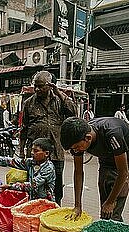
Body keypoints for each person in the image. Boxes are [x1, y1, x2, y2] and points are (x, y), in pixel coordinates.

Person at [60, 116, 129, 221]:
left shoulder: (113, 134)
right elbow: (78, 172)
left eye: (76, 147)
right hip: (106, 158)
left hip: (126, 159)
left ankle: (115, 227)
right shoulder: (78, 140)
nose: (75, 151)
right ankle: (107, 222)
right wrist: (77, 206)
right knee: (105, 204)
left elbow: (123, 173)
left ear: (88, 138)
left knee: (115, 203)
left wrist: (111, 202)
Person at [20, 71, 77, 204]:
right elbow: (24, 128)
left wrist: (59, 92)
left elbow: (74, 112)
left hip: (55, 152)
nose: (37, 89)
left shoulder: (59, 100)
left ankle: (55, 208)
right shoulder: (29, 103)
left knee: (56, 187)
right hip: (36, 153)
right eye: (36, 86)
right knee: (34, 185)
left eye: (41, 86)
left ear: (50, 86)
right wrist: (21, 151)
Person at [0, 137, 56, 201]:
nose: (32, 153)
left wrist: (10, 186)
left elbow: (32, 185)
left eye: (36, 151)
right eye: (32, 150)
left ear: (46, 154)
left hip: (45, 202)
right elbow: (11, 161)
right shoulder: (30, 162)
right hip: (32, 200)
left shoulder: (48, 168)